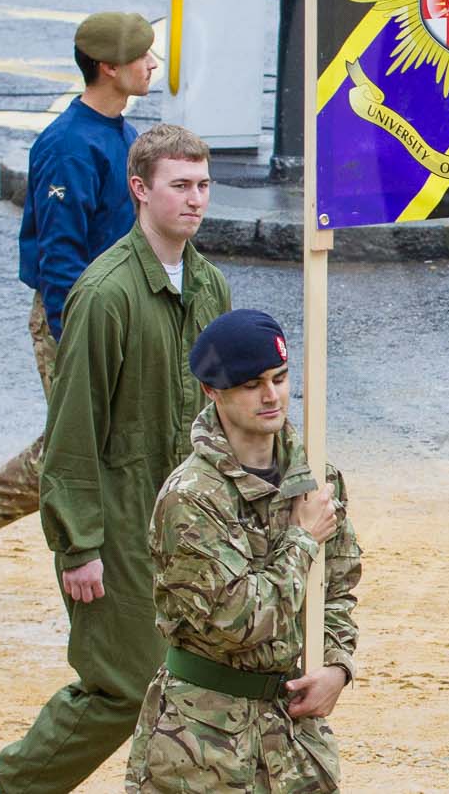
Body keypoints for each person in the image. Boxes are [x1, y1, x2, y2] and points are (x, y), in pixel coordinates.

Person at [0, 124, 232, 794]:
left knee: (200, 678)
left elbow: (222, 414)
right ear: (140, 189)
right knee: (122, 686)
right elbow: (71, 432)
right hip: (114, 527)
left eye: (202, 185)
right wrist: (78, 542)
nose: (195, 199)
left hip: (188, 528)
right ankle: (9, 784)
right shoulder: (105, 294)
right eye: (180, 185)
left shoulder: (211, 288)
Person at [0, 14, 154, 610]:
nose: (154, 66)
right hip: (77, 318)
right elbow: (60, 257)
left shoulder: (120, 133)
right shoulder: (70, 146)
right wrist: (78, 339)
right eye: (143, 57)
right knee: (84, 450)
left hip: (118, 315)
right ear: (108, 68)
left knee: (96, 446)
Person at [124, 310, 361, 792]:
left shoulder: (317, 477)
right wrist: (301, 539)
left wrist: (337, 667)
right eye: (252, 384)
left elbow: (337, 587)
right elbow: (239, 621)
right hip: (202, 745)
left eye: (279, 378)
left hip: (294, 739)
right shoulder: (190, 498)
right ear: (213, 392)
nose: (271, 396)